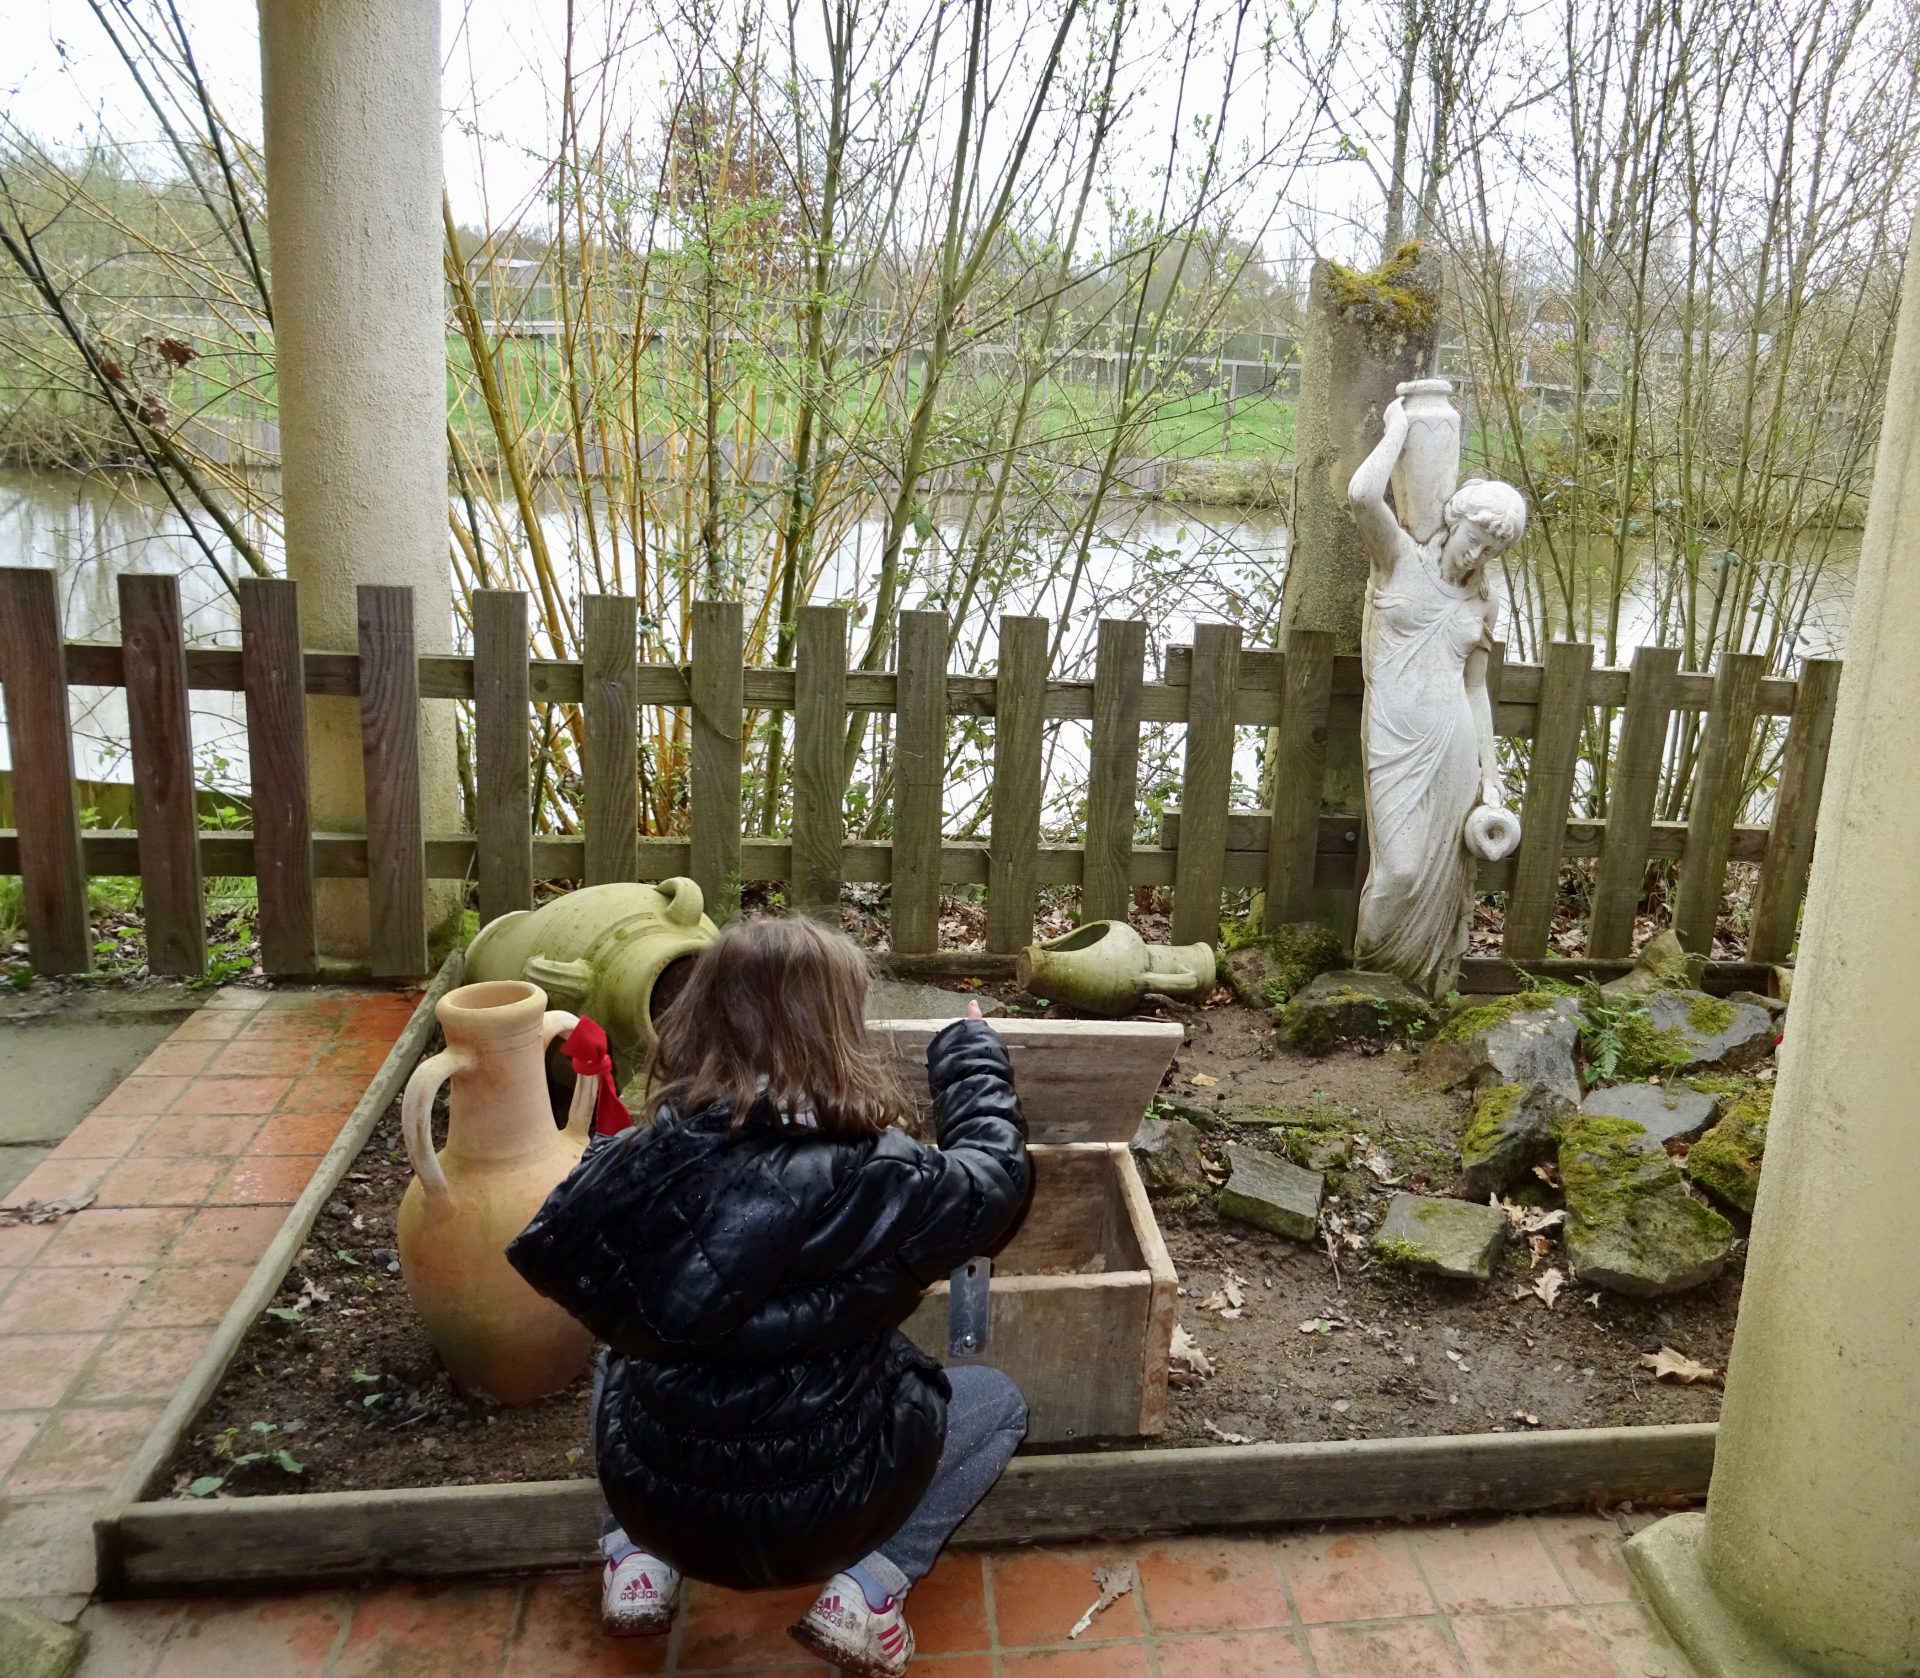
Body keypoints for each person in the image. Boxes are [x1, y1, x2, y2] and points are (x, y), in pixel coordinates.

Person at [507, 914, 1031, 1678]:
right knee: (998, 1402)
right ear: (839, 1031)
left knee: (617, 1357)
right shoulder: (883, 1174)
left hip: (663, 1510)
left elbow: (552, 1245)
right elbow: (997, 1177)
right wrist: (970, 1049)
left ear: (698, 1018)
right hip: (834, 1517)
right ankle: (869, 1590)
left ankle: (634, 1560)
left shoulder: (632, 1165)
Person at [1346, 395, 1529, 994]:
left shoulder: (1483, 603)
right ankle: (1367, 988)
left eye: (1491, 551)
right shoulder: (1398, 560)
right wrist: (1396, 428)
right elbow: (1362, 497)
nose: (1476, 555)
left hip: (1453, 746)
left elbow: (1475, 690)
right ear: (1455, 522)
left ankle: (1425, 994)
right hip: (1395, 737)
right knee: (1398, 872)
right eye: (1473, 539)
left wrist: (1491, 776)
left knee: (1444, 873)